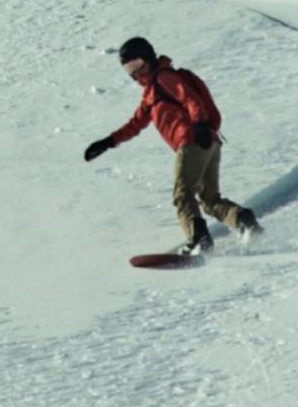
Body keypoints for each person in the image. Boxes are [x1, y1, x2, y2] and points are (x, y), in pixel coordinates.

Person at [84, 35, 261, 254]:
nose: (136, 72)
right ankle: (244, 221)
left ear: (148, 58)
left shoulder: (164, 78)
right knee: (209, 199)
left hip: (192, 141)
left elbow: (191, 99)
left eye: (137, 64)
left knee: (182, 195)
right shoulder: (151, 93)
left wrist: (199, 123)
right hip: (208, 142)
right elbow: (136, 124)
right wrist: (109, 141)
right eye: (129, 69)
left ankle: (199, 241)